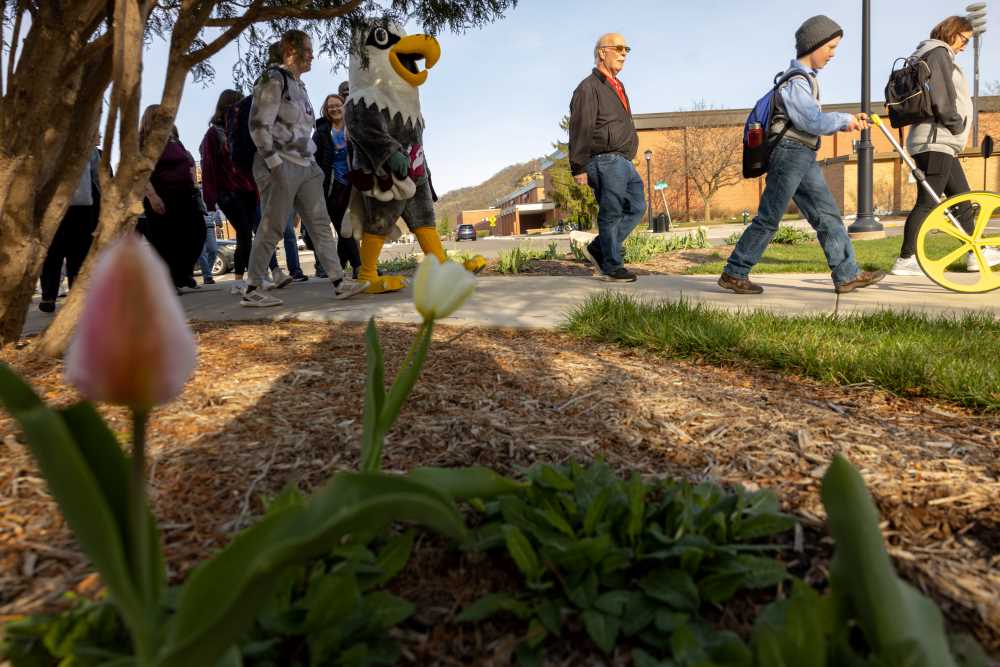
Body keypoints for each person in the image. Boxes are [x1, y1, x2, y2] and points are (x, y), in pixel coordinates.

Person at [719, 15, 885, 295]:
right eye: (831, 47)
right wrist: (845, 121)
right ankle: (735, 272)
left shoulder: (805, 80)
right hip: (790, 154)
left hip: (803, 154)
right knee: (769, 217)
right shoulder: (796, 81)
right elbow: (811, 120)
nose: (833, 54)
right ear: (814, 44)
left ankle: (846, 274)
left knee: (827, 216)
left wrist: (846, 120)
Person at [242, 29, 367, 307]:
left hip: (305, 165)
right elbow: (258, 125)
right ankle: (251, 288)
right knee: (272, 226)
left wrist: (312, 166)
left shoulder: (298, 85)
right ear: (290, 51)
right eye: (308, 50)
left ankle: (338, 281)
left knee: (321, 224)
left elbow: (302, 127)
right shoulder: (272, 79)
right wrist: (275, 165)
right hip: (279, 164)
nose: (312, 55)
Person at [890, 15, 1000, 275]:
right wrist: (956, 124)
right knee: (927, 202)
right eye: (964, 39)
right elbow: (941, 96)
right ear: (952, 33)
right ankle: (906, 259)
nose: (964, 45)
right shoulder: (938, 52)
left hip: (940, 141)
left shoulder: (931, 54)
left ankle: (976, 253)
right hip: (936, 139)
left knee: (962, 199)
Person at [568, 33, 644, 283]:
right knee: (611, 211)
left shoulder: (617, 86)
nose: (624, 53)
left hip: (623, 160)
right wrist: (578, 166)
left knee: (636, 207)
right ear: (602, 52)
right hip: (604, 159)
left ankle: (600, 248)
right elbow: (580, 127)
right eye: (619, 48)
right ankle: (612, 265)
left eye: (627, 49)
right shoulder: (588, 87)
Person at [138, 107, 206, 292]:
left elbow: (188, 161)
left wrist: (192, 177)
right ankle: (170, 281)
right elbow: (142, 172)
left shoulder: (174, 139)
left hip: (185, 196)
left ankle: (181, 274)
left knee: (198, 233)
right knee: (166, 242)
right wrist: (152, 196)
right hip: (162, 197)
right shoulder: (145, 142)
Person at [199, 89, 260, 294]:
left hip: (249, 190)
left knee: (249, 235)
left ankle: (250, 278)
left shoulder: (245, 130)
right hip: (228, 192)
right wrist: (210, 201)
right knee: (243, 232)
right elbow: (208, 167)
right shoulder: (213, 134)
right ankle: (239, 281)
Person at [38, 144, 101, 313]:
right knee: (52, 253)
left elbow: (97, 176)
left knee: (79, 254)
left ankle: (77, 298)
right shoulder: (49, 143)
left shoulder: (89, 147)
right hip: (52, 207)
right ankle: (48, 296)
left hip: (82, 207)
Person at [313, 93, 361, 279]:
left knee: (348, 229)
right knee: (343, 227)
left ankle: (340, 268)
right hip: (332, 187)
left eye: (337, 105)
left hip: (354, 186)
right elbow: (314, 160)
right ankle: (358, 266)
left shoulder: (353, 128)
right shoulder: (321, 133)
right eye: (330, 106)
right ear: (326, 110)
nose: (334, 109)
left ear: (344, 106)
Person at [197, 206, 220, 285]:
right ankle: (207, 277)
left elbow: (216, 208)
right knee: (201, 253)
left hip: (210, 227)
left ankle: (208, 273)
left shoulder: (208, 194)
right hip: (197, 226)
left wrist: (218, 223)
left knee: (213, 250)